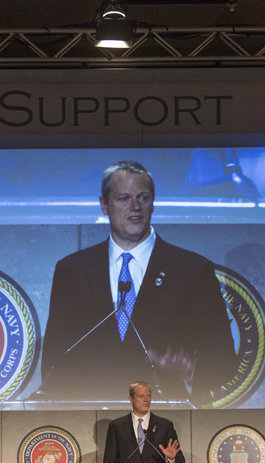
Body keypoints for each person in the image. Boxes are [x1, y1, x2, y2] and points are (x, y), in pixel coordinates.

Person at [39, 160, 238, 404]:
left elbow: (225, 359)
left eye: (143, 198)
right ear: (104, 205)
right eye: (124, 198)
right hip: (89, 422)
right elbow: (55, 359)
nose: (135, 207)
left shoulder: (193, 270)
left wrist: (190, 367)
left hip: (167, 421)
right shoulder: (72, 271)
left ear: (153, 204)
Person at [102, 380, 185, 463]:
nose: (146, 400)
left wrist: (172, 458)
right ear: (131, 399)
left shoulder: (165, 426)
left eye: (148, 396)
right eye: (141, 396)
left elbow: (180, 462)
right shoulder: (117, 426)